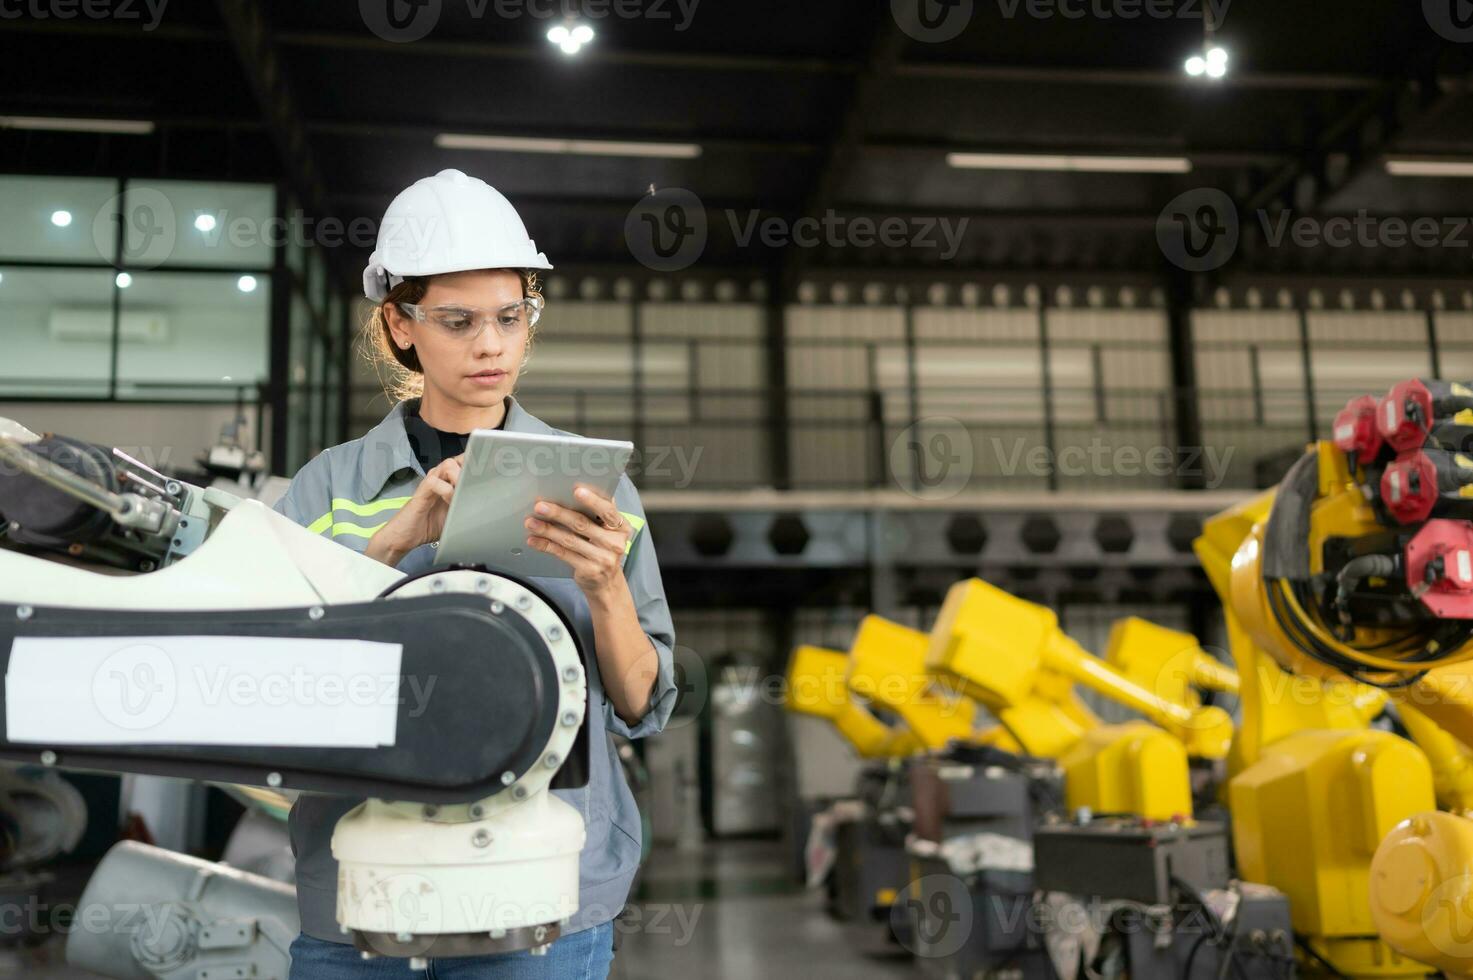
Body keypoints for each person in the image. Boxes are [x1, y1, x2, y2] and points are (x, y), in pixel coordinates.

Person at [272, 169, 678, 979]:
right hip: (367, 896)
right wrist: (394, 539)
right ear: (399, 324)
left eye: (509, 317)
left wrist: (602, 588)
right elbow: (274, 677)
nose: (490, 345)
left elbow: (640, 701)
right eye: (457, 322)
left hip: (542, 895)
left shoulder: (595, 488)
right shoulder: (327, 488)